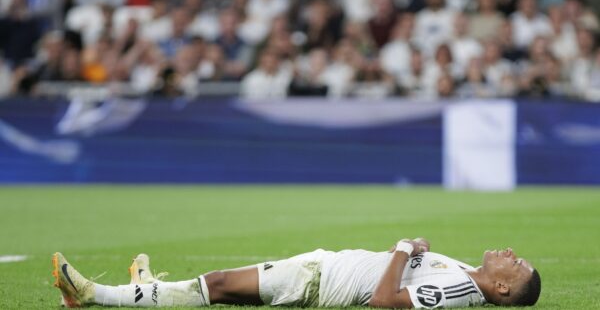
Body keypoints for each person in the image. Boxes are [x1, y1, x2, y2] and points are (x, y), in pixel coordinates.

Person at [52, 237, 541, 309]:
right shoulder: (466, 275)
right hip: (322, 269)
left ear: (501, 288)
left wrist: (401, 250)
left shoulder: (461, 289)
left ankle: (94, 294)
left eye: (515, 267)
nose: (511, 254)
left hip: (320, 282)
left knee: (218, 286)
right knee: (219, 282)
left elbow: (385, 302)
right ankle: (147, 288)